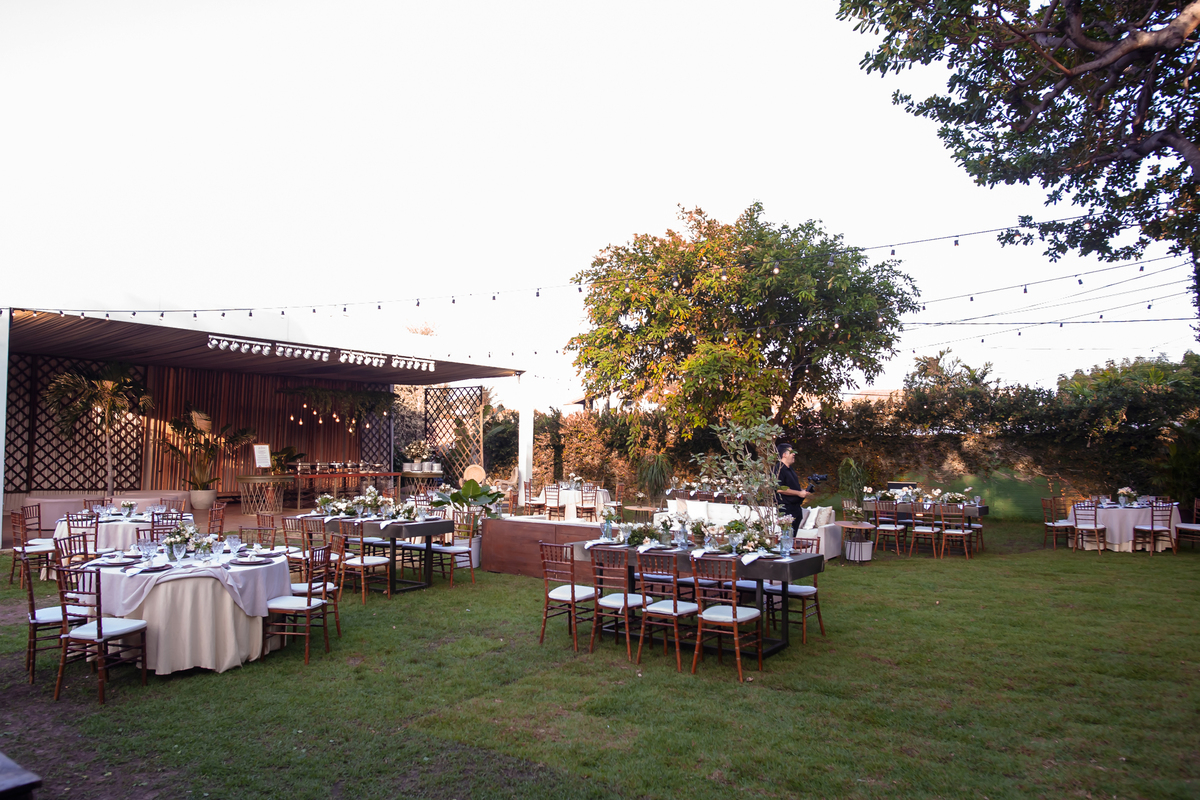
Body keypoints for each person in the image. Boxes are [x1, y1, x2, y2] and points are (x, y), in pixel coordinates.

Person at [774, 443, 810, 533]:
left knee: (793, 537)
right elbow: (779, 488)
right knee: (787, 536)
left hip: (796, 508)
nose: (794, 454)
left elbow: (792, 486)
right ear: (784, 455)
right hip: (786, 509)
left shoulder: (790, 469)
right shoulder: (779, 469)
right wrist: (798, 493)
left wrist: (802, 491)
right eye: (791, 452)